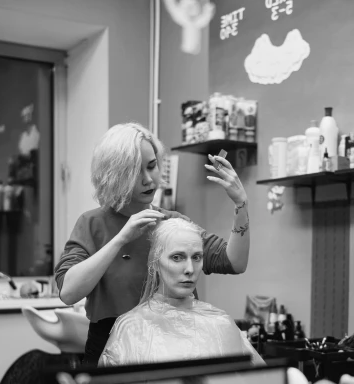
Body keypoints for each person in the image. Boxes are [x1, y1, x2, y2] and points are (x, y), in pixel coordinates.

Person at [55, 122, 250, 366]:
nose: (149, 180)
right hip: (109, 351)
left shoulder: (173, 224)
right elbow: (68, 293)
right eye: (136, 172)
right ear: (115, 176)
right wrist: (121, 239)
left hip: (173, 345)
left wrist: (240, 203)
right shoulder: (92, 224)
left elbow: (235, 262)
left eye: (152, 166)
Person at [98, 218, 264, 366]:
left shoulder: (222, 324)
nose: (190, 269)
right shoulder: (131, 328)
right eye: (177, 257)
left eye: (197, 257)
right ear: (155, 262)